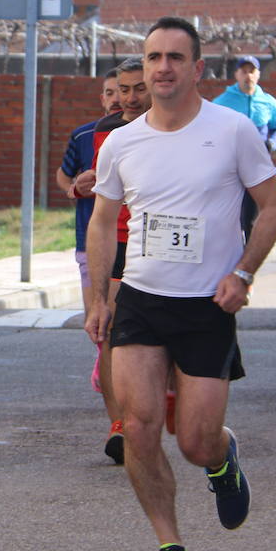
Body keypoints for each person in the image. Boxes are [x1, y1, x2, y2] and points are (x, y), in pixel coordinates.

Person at [85, 16, 276, 551]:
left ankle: (223, 461)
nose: (163, 67)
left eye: (176, 57)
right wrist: (101, 298)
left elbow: (273, 207)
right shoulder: (123, 141)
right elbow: (102, 222)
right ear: (143, 69)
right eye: (153, 58)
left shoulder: (232, 131)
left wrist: (243, 274)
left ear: (197, 68)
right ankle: (170, 547)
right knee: (139, 429)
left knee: (196, 440)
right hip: (142, 300)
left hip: (206, 305)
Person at [88, 59, 152, 464]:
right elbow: (105, 186)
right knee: (109, 332)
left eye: (138, 89)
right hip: (120, 241)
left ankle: (156, 403)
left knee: (154, 337)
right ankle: (119, 425)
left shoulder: (173, 128)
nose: (129, 98)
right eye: (123, 89)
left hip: (158, 244)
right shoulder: (106, 132)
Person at [57, 68, 120, 320]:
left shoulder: (148, 133)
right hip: (91, 237)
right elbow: (63, 175)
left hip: (135, 239)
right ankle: (101, 361)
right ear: (102, 99)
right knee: (97, 319)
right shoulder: (84, 135)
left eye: (123, 91)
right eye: (110, 93)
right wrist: (74, 189)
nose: (117, 98)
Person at [213, 55, 276, 152]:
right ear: (236, 75)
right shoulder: (221, 102)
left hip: (258, 161)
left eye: (252, 71)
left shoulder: (268, 102)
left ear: (258, 75)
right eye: (244, 72)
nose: (248, 76)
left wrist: (272, 143)